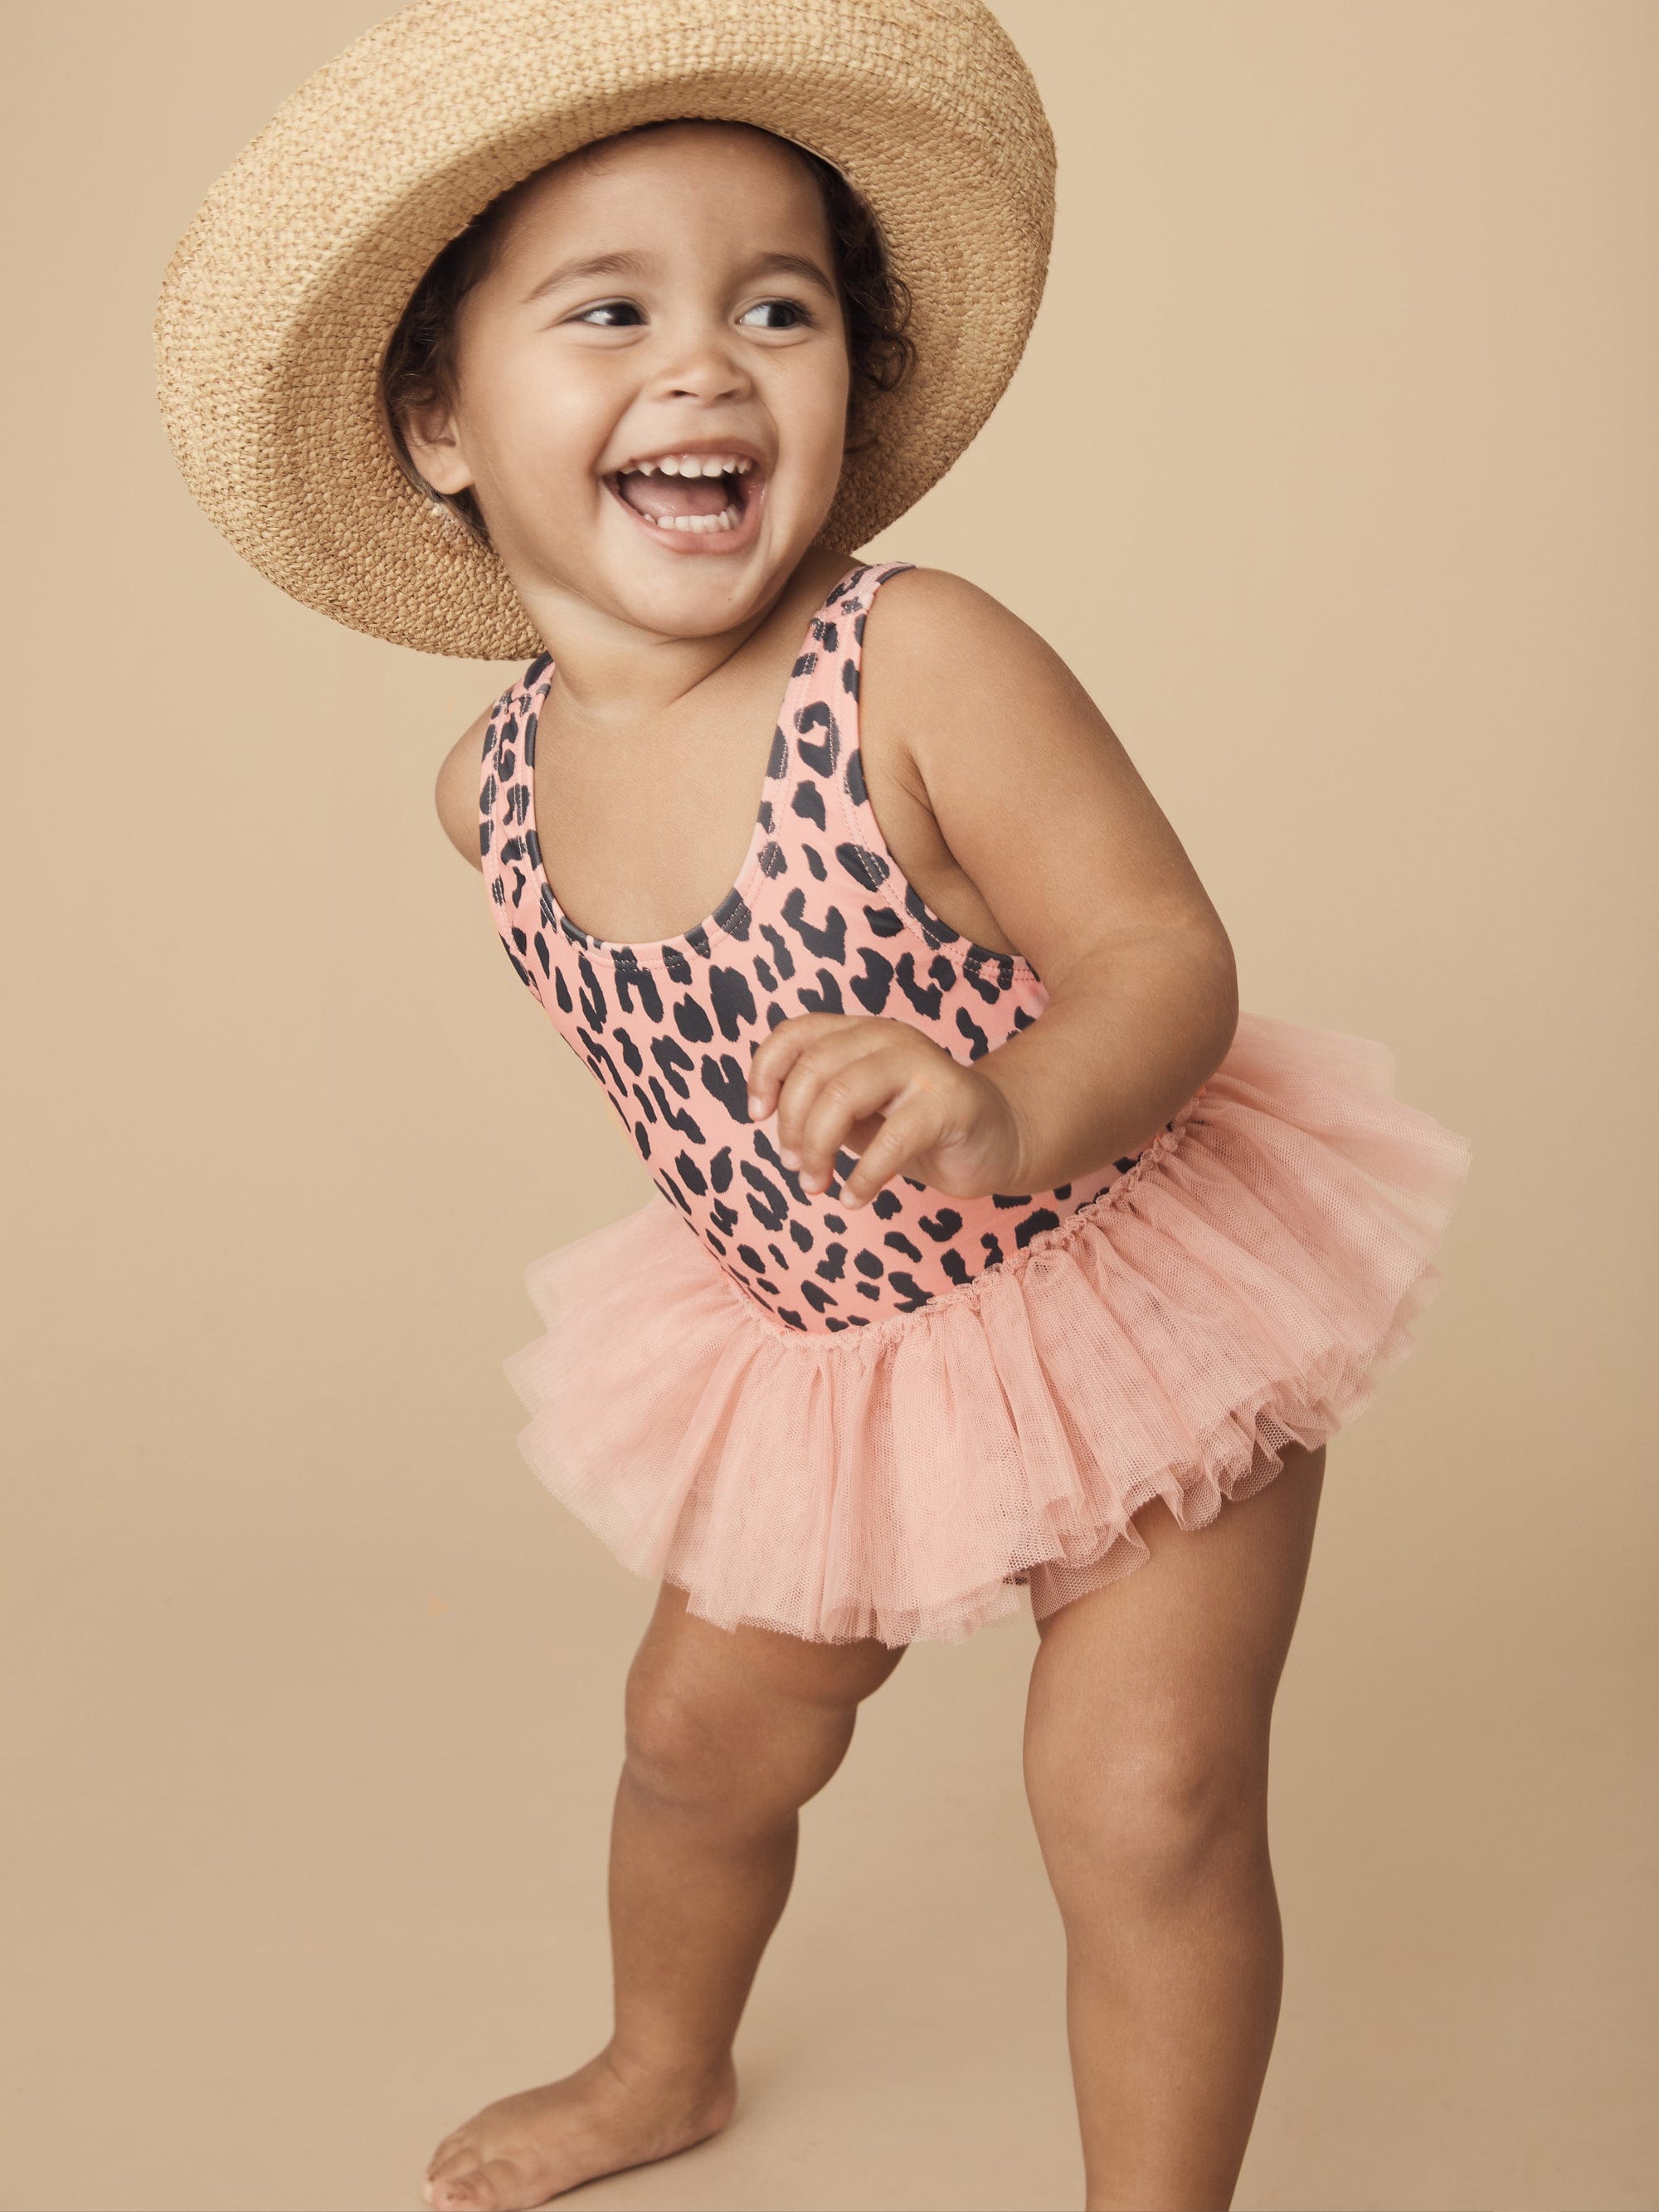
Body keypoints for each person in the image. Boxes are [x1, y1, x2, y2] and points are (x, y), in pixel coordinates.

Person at [154, 7, 1473, 2208]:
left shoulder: (917, 660)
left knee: (1141, 1800)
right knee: (696, 1744)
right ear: (440, 421)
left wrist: (1007, 1105)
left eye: (779, 310)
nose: (708, 364)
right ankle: (658, 2062)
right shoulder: (490, 790)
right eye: (611, 313)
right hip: (832, 1348)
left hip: (1122, 1287)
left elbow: (1163, 955)